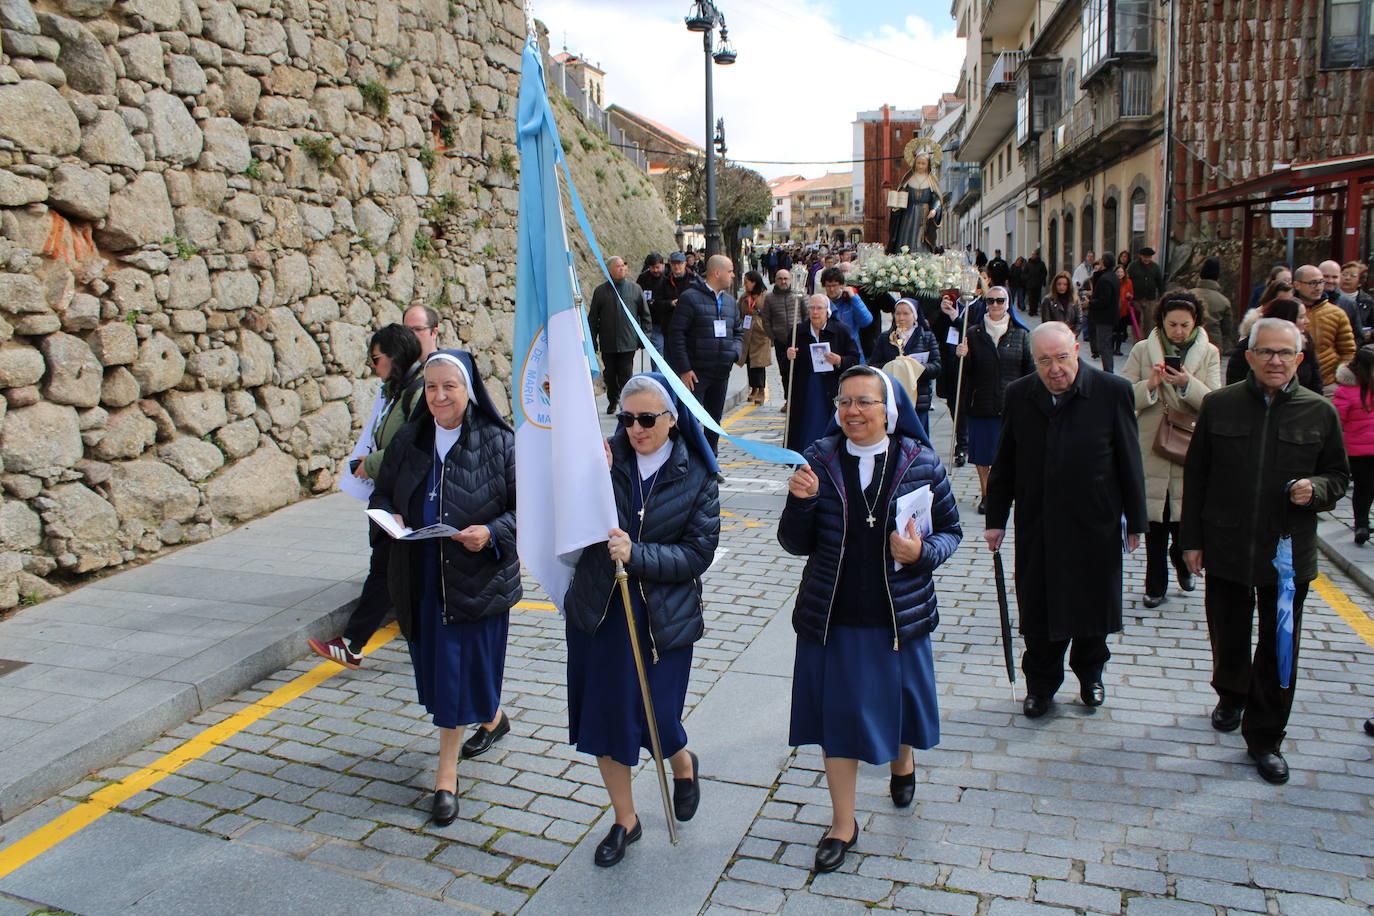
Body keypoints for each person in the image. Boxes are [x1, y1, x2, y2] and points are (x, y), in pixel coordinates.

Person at [780, 367, 962, 874]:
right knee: (839, 721)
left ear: (890, 410)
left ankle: (903, 761)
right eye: (844, 402)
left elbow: (951, 530)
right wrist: (800, 502)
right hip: (833, 615)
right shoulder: (817, 459)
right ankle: (843, 823)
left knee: (899, 703)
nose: (852, 412)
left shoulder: (920, 461)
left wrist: (921, 551)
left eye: (864, 402)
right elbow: (795, 543)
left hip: (898, 617)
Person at [1181, 318, 1349, 785]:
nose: (1275, 361)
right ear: (1249, 356)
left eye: (1285, 354)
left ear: (1299, 359)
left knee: (1279, 649)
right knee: (1229, 634)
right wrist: (1190, 541)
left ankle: (1266, 736)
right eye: (1266, 352)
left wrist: (1313, 489)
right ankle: (1231, 693)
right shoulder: (1219, 406)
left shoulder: (1319, 412)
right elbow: (1196, 476)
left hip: (1287, 557)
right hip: (1227, 545)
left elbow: (1338, 477)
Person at [563, 374, 720, 867]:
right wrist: (588, 481)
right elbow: (567, 525)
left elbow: (697, 554)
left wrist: (638, 554)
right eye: (627, 419)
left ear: (671, 421)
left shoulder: (696, 475)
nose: (636, 429)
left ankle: (681, 762)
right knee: (608, 720)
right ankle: (625, 820)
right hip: (601, 611)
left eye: (648, 419)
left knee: (657, 717)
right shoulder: (601, 462)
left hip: (663, 621)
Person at [370, 351, 519, 824]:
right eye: (431, 387)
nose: (438, 396)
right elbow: (383, 492)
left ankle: (445, 779)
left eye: (448, 387)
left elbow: (527, 511)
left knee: (455, 681)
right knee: (448, 676)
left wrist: (491, 533)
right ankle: (493, 719)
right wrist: (390, 514)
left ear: (468, 389)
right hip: (422, 582)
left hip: (477, 582)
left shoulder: (499, 442)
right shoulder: (410, 440)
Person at [985, 322, 1148, 719]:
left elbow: (1130, 460)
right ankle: (1040, 686)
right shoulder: (1020, 395)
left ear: (1076, 350)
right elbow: (1004, 461)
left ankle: (1090, 674)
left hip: (1096, 522)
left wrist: (1137, 521)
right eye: (1044, 361)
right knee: (1039, 611)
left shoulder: (1112, 391)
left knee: (1093, 608)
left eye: (1061, 358)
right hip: (1038, 522)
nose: (1055, 369)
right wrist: (996, 519)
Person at [311, 324, 425, 671]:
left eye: (376, 358)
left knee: (390, 572)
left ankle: (355, 643)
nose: (373, 366)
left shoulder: (416, 391)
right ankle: (361, 643)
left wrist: (371, 463)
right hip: (394, 496)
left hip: (407, 499)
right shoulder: (398, 389)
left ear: (395, 356)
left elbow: (417, 445)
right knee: (392, 572)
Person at [1121, 292, 1222, 608]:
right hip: (1151, 443)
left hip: (1189, 444)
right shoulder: (1142, 350)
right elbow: (1122, 397)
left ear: (1196, 324)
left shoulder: (1209, 354)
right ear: (1161, 322)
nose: (1178, 331)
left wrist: (1186, 383)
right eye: (1172, 324)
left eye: (1184, 325)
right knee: (1154, 522)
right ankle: (1155, 585)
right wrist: (1150, 385)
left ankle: (1183, 563)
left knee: (1182, 519)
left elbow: (1214, 402)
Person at [955, 287, 1032, 513]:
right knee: (983, 454)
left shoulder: (1021, 333)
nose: (996, 305)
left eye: (1000, 300)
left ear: (1008, 303)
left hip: (1012, 404)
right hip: (982, 401)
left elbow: (1029, 370)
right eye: (991, 301)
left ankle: (1010, 491)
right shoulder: (974, 332)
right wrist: (963, 356)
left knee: (1011, 452)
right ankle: (987, 493)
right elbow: (965, 374)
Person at [667, 254, 742, 454]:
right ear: (717, 273)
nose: (733, 275)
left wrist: (733, 353)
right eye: (730, 271)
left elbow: (738, 332)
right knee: (689, 419)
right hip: (696, 374)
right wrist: (684, 369)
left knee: (714, 420)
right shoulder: (690, 298)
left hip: (721, 372)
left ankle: (711, 462)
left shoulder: (730, 302)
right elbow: (677, 334)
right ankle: (684, 460)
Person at [786, 295, 859, 451]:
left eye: (819, 308)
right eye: (811, 308)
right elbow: (789, 368)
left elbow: (854, 358)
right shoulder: (798, 332)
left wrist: (839, 360)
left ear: (827, 311)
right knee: (806, 427)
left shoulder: (841, 330)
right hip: (807, 387)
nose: (815, 312)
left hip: (831, 387)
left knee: (828, 426)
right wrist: (789, 355)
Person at [589, 257, 652, 414]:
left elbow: (645, 315)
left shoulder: (635, 289)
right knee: (610, 375)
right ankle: (612, 400)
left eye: (624, 265)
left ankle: (626, 405)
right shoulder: (600, 291)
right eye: (618, 266)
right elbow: (593, 318)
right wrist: (593, 340)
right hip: (608, 342)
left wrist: (645, 336)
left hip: (628, 342)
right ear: (609, 270)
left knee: (626, 375)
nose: (622, 268)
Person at [872, 298, 941, 436]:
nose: (901, 317)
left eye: (906, 313)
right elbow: (874, 365)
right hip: (892, 399)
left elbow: (936, 366)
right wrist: (893, 366)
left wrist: (915, 367)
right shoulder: (885, 338)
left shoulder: (926, 337)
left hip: (918, 398)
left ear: (914, 316)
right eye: (898, 313)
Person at [1228, 296, 1323, 394]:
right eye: (1301, 317)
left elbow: (1316, 383)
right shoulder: (1249, 345)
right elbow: (1235, 384)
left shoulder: (1307, 343)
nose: (1307, 321)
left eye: (1286, 353)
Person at [1333, 346, 1374, 545]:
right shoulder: (1347, 391)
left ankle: (1363, 522)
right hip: (1358, 451)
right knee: (1364, 487)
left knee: (1368, 488)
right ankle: (1361, 524)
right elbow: (1337, 419)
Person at [1294, 264, 1356, 390]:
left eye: (1321, 282)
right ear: (1297, 285)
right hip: (1292, 384)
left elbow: (1348, 351)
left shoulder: (1337, 314)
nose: (1318, 287)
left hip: (1328, 384)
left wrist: (1340, 379)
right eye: (1312, 283)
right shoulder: (1286, 310)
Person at [887, 151, 943, 254]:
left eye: (923, 163)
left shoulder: (931, 180)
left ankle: (922, 259)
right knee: (905, 237)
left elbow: (937, 198)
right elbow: (901, 195)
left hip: (923, 215)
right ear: (914, 163)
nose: (920, 166)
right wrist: (896, 207)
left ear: (928, 165)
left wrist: (935, 209)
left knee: (920, 241)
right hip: (908, 215)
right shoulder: (908, 178)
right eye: (918, 163)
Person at [820, 266, 873, 360]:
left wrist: (854, 298)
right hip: (830, 352)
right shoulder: (822, 302)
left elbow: (866, 321)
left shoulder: (850, 300)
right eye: (828, 286)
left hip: (852, 350)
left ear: (841, 285)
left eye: (835, 285)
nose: (832, 289)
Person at [654, 252, 703, 354]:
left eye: (679, 263)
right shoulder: (664, 281)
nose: (677, 266)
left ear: (685, 264)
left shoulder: (694, 279)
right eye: (674, 264)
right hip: (670, 328)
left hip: (690, 328)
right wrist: (670, 303)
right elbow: (656, 303)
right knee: (670, 363)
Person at [738, 270, 772, 404]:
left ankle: (761, 390)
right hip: (747, 333)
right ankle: (754, 388)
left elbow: (770, 315)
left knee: (759, 363)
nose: (745, 285)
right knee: (749, 362)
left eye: (747, 282)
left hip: (760, 334)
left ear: (754, 282)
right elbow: (739, 311)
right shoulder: (745, 296)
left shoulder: (765, 296)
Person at [1190, 257, 1235, 354]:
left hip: (1190, 338)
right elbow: (1227, 328)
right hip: (1214, 342)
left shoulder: (1189, 295)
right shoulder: (1223, 301)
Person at [1088, 252, 1122, 372]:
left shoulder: (1105, 279)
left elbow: (1104, 300)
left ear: (1103, 262)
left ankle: (1108, 372)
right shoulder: (1112, 277)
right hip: (1109, 316)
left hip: (1104, 317)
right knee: (1105, 344)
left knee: (1104, 346)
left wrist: (1090, 302)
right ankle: (1108, 370)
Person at [1334, 261, 1374, 344]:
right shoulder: (1331, 296)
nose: (1347, 278)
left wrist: (1370, 333)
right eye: (1344, 274)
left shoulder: (1367, 301)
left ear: (1360, 282)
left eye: (1353, 276)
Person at [1129, 246, 1165, 332]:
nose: (1147, 259)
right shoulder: (1133, 266)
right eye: (1145, 257)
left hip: (1150, 299)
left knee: (1149, 321)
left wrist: (1162, 296)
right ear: (1141, 256)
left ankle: (1147, 340)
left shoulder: (1155, 267)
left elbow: (1160, 283)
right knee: (1137, 321)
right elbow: (1128, 281)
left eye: (1149, 257)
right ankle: (1137, 341)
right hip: (1136, 299)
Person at [1113, 262, 1135, 356]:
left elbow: (1131, 295)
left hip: (1124, 310)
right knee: (1113, 330)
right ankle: (1111, 348)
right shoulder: (1113, 281)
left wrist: (1129, 296)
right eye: (1118, 272)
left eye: (1121, 272)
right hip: (1113, 310)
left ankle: (1118, 349)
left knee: (1120, 331)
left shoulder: (1128, 282)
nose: (1120, 274)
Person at [1024, 248, 1048, 317]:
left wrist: (1041, 280)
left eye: (1033, 254)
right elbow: (1024, 273)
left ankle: (1035, 310)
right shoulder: (1028, 264)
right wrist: (1027, 279)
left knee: (1037, 298)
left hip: (1038, 284)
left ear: (1037, 255)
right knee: (1031, 298)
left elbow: (1044, 272)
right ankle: (1031, 311)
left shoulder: (1041, 264)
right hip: (1030, 284)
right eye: (1032, 254)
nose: (1032, 256)